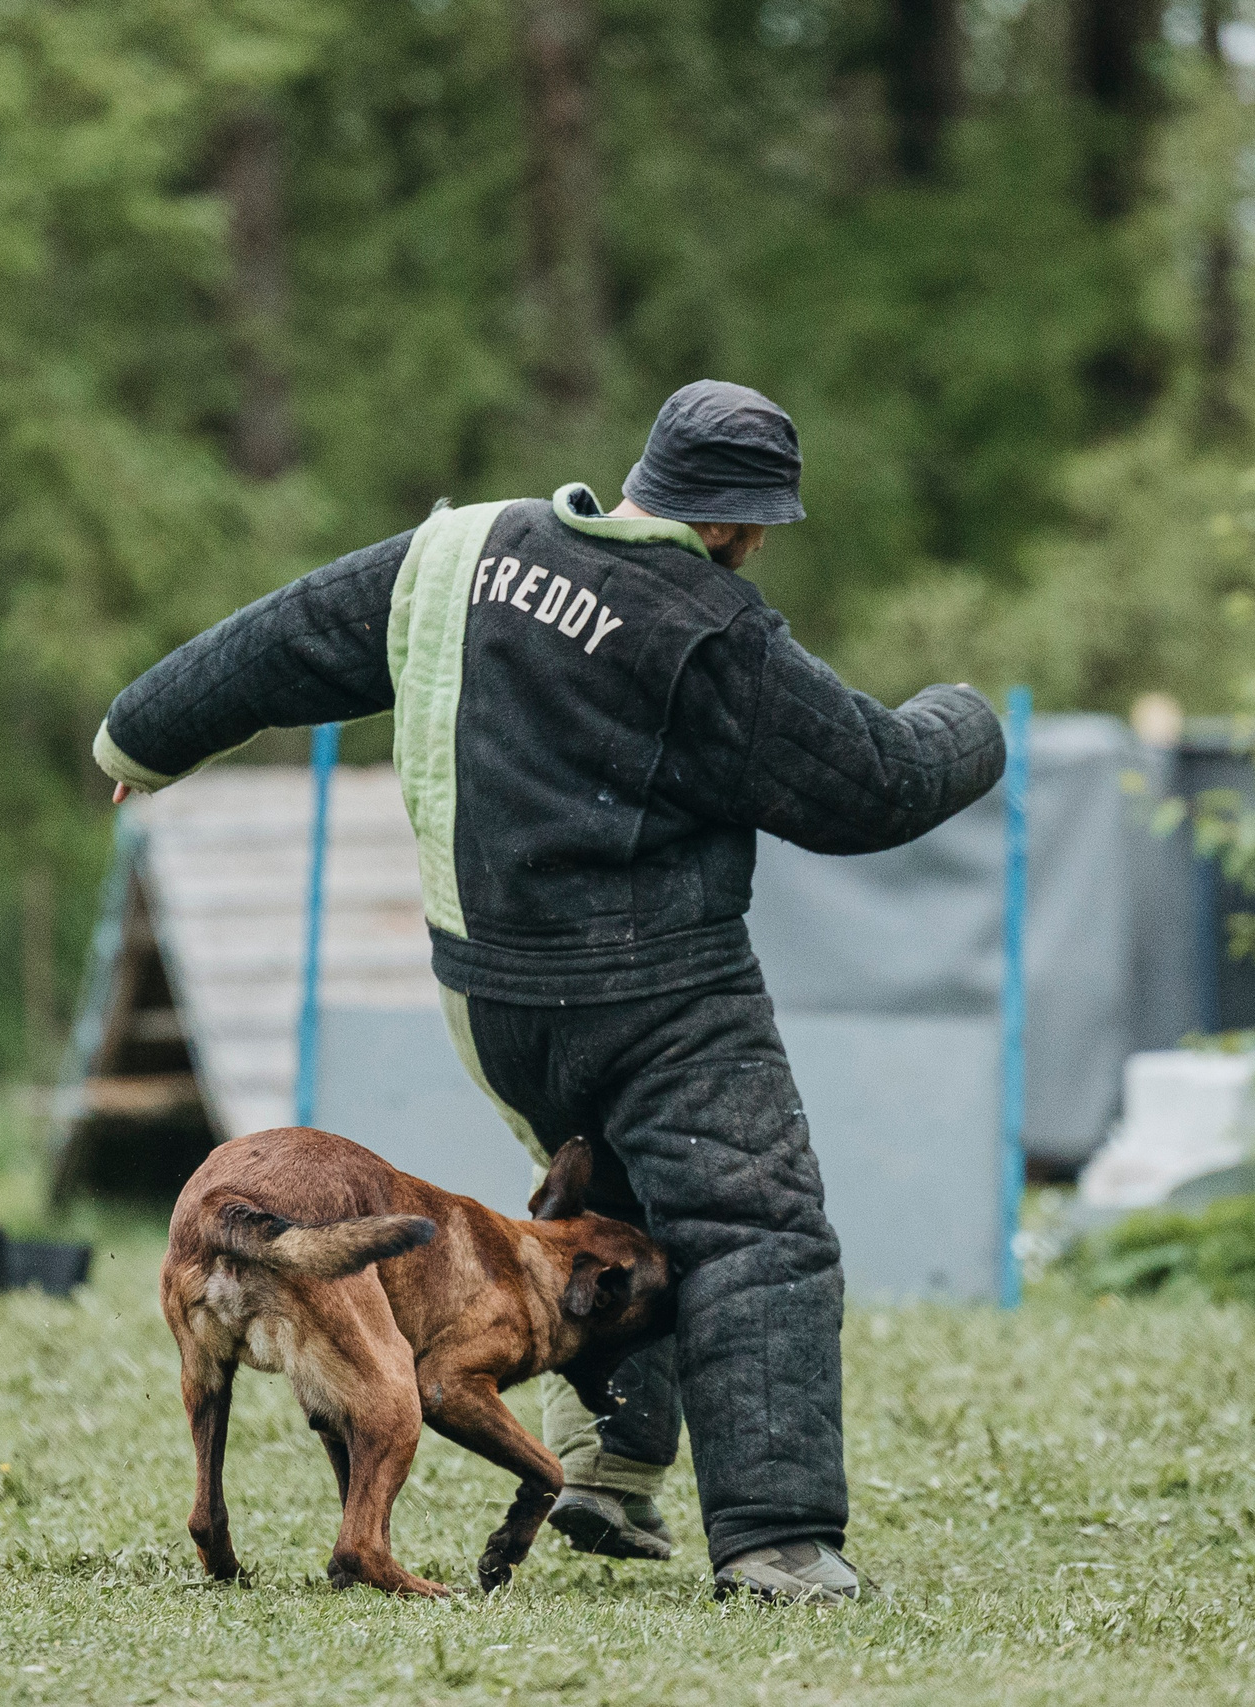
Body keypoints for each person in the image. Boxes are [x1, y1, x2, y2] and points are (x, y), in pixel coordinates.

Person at [93, 380, 1004, 1603]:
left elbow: (287, 637)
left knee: (611, 1226)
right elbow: (873, 789)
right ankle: (779, 1544)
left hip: (496, 1004)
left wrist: (139, 737)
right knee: (749, 1230)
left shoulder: (462, 552)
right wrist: (968, 720)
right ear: (743, 528)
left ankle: (609, 1472)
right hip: (661, 996)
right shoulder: (710, 629)